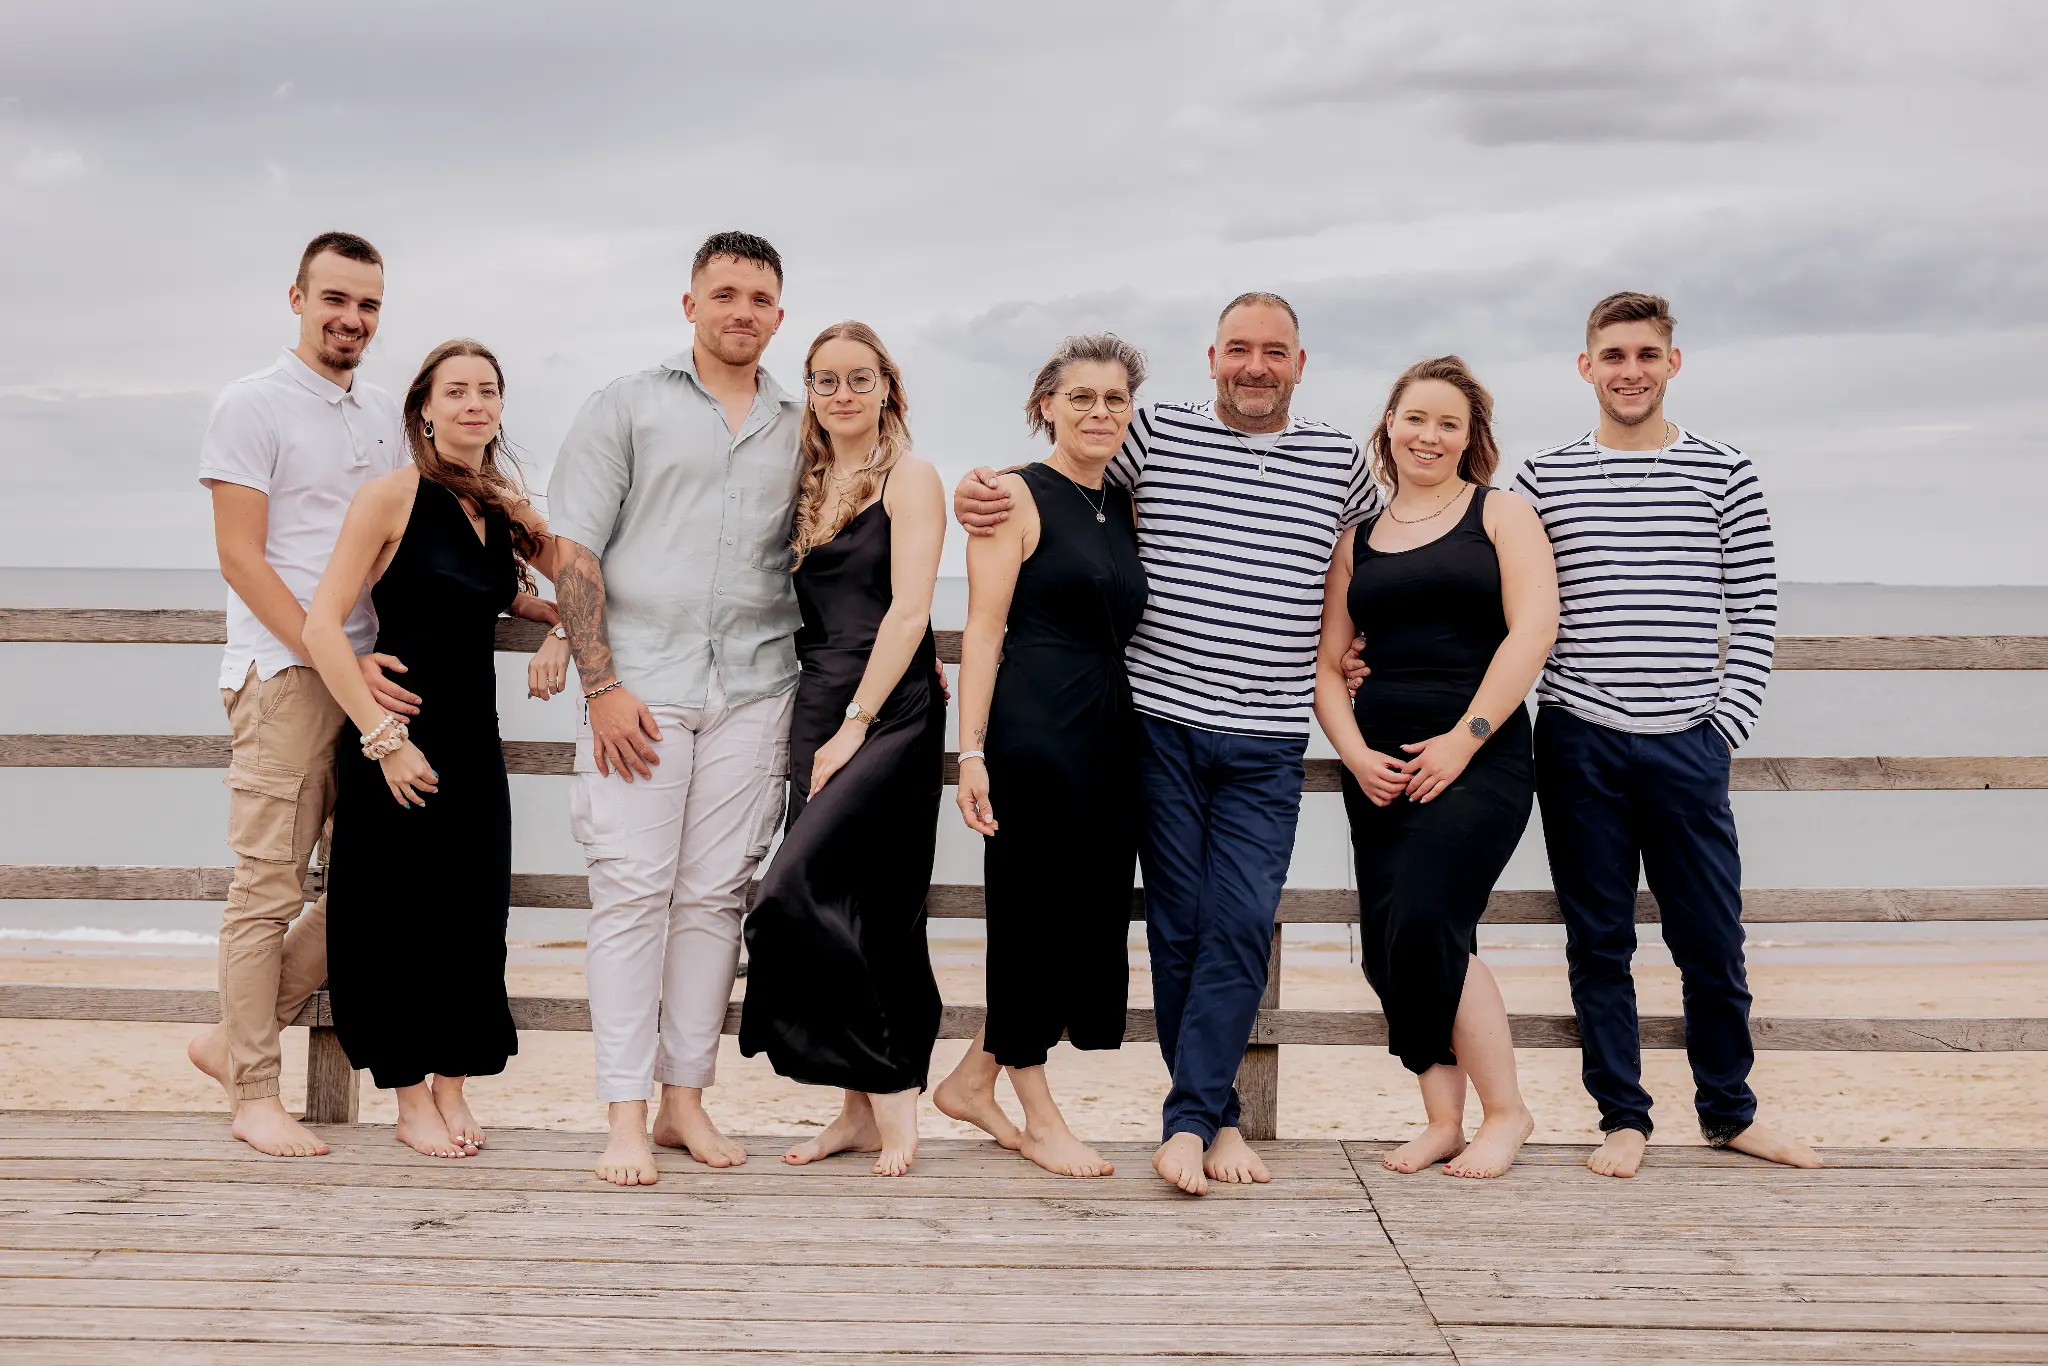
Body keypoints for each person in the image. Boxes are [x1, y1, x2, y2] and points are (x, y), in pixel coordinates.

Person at [955, 296, 1377, 1195]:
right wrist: (975, 487)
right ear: (1212, 358)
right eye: (1238, 350)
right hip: (1157, 728)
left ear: (1301, 361)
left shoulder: (1342, 461)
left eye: (1274, 351)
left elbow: (1365, 569)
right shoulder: (1157, 437)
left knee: (1237, 923)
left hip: (1266, 737)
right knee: (1179, 927)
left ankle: (1191, 1115)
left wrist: (1373, 653)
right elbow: (1058, 477)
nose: (1255, 366)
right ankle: (1207, 1122)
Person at [1515, 292, 1822, 1177]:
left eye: (1646, 354)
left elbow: (1757, 608)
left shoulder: (1724, 470)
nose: (1630, 371)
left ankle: (1730, 1112)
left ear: (1672, 364)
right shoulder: (1544, 477)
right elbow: (1504, 599)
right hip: (1578, 737)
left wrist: (1724, 723)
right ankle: (1624, 1119)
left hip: (1689, 739)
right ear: (1586, 368)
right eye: (1613, 356)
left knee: (1711, 941)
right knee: (1599, 941)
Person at [548, 231, 804, 1186]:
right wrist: (600, 682)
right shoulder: (627, 404)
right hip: (641, 687)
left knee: (713, 898)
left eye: (762, 297)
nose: (744, 310)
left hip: (755, 684)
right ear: (689, 303)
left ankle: (682, 1103)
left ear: (780, 312)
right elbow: (574, 552)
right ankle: (621, 1113)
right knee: (629, 892)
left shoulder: (798, 416)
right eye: (726, 292)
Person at [303, 340, 568, 1158]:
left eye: (488, 391)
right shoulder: (389, 497)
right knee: (390, 919)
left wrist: (561, 627)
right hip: (397, 734)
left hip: (473, 741)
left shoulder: (504, 507)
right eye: (456, 391)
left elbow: (567, 580)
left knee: (470, 914)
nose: (474, 405)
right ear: (423, 406)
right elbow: (322, 626)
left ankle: (452, 1086)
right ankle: (408, 1097)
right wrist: (386, 743)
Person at [190, 232, 421, 1157]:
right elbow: (241, 559)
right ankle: (252, 1090)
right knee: (266, 890)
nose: (351, 319)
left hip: (375, 683)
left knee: (367, 888)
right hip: (287, 677)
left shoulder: (385, 416)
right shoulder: (251, 405)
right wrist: (331, 659)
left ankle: (227, 1038)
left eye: (367, 304)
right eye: (335, 299)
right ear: (296, 298)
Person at [1313, 356, 1558, 1180]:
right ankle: (1442, 1118)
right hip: (1378, 765)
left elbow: (1534, 632)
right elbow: (1325, 667)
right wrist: (1354, 753)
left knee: (1427, 922)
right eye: (1416, 418)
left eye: (1449, 423)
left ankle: (1508, 1112)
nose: (1429, 435)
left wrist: (1466, 736)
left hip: (1477, 757)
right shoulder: (1358, 540)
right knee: (1388, 946)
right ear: (1390, 424)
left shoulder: (1501, 515)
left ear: (1470, 437)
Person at [935, 333, 1150, 1179]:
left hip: (1110, 732)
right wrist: (972, 753)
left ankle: (971, 1082)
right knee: (1028, 920)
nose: (1100, 413)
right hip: (1034, 730)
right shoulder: (1012, 497)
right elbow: (983, 629)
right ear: (1046, 407)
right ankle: (1040, 1110)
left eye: (1115, 400)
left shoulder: (1127, 502)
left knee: (1081, 920)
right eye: (1081, 398)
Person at [737, 322, 947, 1177]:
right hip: (815, 702)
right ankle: (856, 1111)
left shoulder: (913, 477)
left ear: (888, 387)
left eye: (861, 379)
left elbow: (907, 610)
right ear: (812, 395)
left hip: (886, 711)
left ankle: (896, 1097)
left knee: (807, 892)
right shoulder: (808, 485)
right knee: (847, 907)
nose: (844, 394)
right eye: (825, 381)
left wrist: (858, 723)